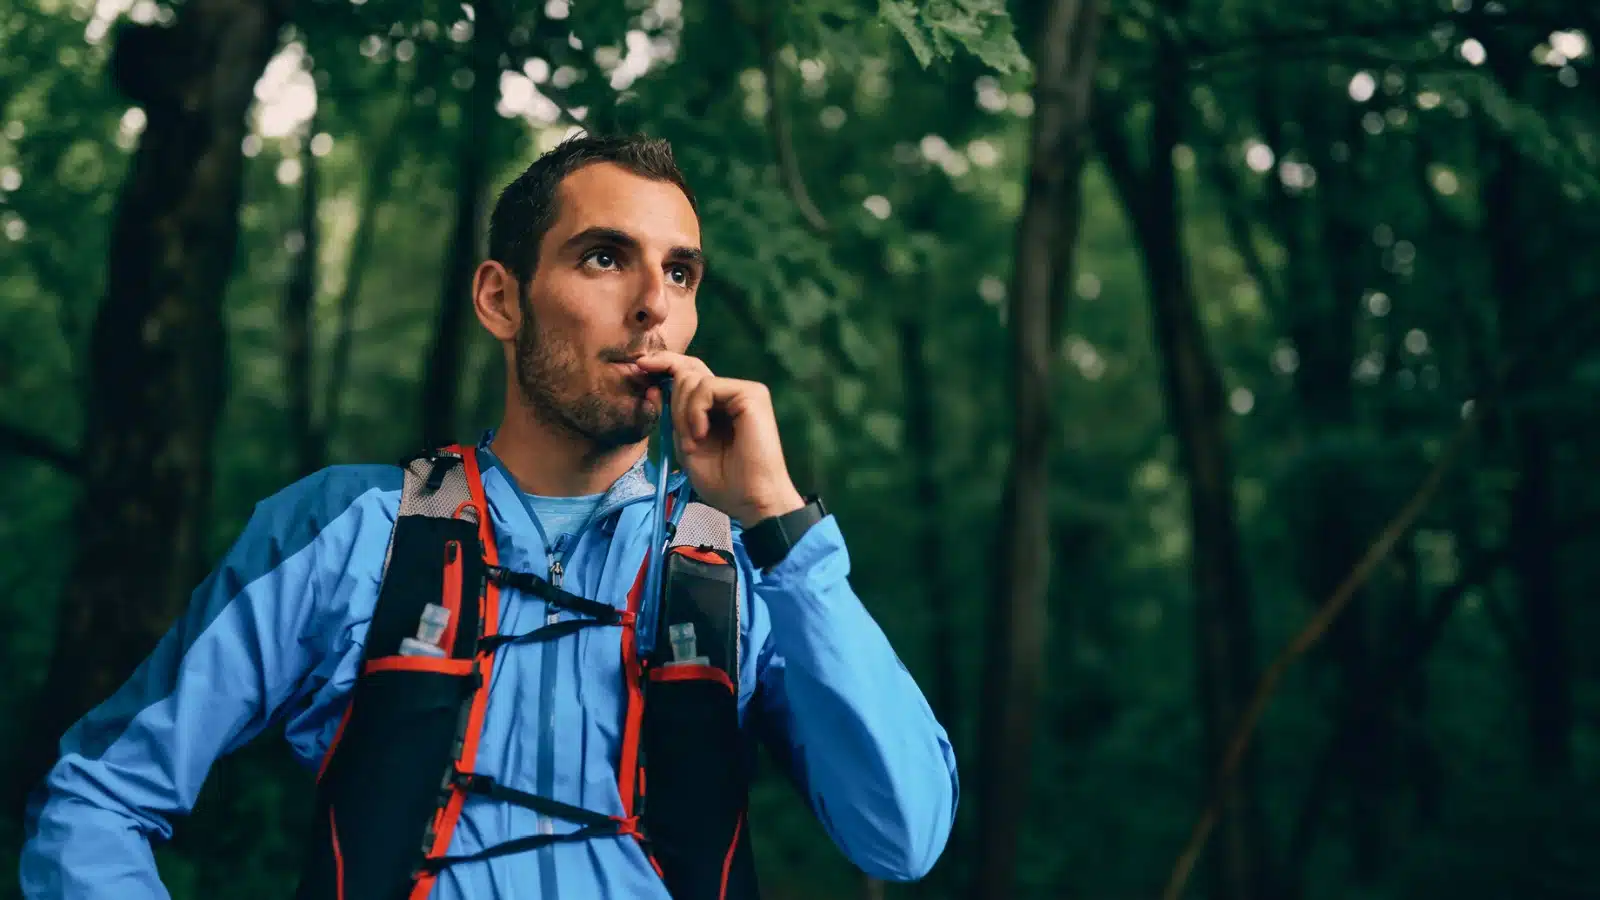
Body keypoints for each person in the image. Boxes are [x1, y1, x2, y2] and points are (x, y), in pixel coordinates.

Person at [19, 133, 958, 899]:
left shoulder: (746, 559)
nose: (652, 310)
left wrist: (778, 522)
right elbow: (96, 801)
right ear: (501, 299)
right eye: (605, 258)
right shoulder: (352, 528)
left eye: (681, 275)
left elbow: (902, 834)